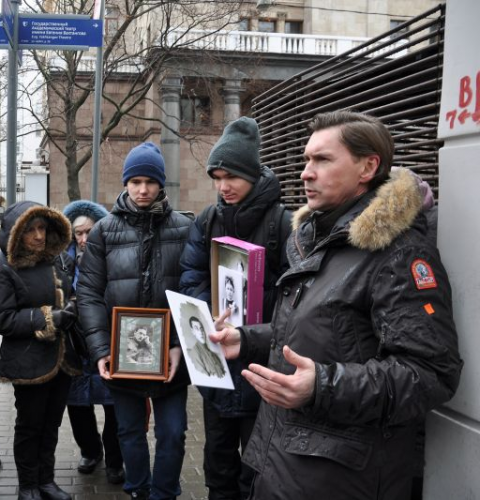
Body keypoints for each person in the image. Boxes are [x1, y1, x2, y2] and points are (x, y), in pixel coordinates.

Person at [210, 111, 463, 500]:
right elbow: (320, 336)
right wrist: (243, 339)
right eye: (307, 159)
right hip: (285, 463)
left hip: (341, 479)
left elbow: (430, 373)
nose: (305, 173)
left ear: (368, 166)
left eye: (322, 160)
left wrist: (323, 387)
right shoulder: (318, 238)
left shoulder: (399, 254)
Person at [179, 116, 292, 500]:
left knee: (257, 467)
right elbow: (191, 271)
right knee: (218, 463)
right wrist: (207, 308)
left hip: (261, 363)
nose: (223, 186)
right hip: (217, 362)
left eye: (231, 177)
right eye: (217, 176)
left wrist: (256, 313)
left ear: (252, 174)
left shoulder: (284, 223)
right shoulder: (208, 219)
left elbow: (298, 294)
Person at [77, 142, 192, 500]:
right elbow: (90, 294)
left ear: (161, 184)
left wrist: (177, 343)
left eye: (150, 182)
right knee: (129, 431)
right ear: (126, 183)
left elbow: (192, 292)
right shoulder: (104, 232)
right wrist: (100, 349)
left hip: (171, 359)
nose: (143, 190)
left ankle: (165, 492)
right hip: (122, 354)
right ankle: (139, 490)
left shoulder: (185, 228)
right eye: (135, 181)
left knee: (172, 433)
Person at [0, 201, 81, 500]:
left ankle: (46, 480)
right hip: (28, 361)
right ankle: (28, 485)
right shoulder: (3, 263)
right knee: (30, 426)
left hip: (62, 359)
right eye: (30, 230)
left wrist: (73, 307)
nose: (39, 235)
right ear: (16, 233)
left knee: (51, 424)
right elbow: (1, 318)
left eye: (42, 228)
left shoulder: (56, 258)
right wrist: (49, 318)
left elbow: (70, 293)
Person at [62, 200, 124, 483]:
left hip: (108, 338)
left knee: (114, 404)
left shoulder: (113, 256)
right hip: (74, 343)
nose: (84, 238)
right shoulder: (61, 259)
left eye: (89, 231)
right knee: (77, 403)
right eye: (79, 233)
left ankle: (115, 459)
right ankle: (90, 450)